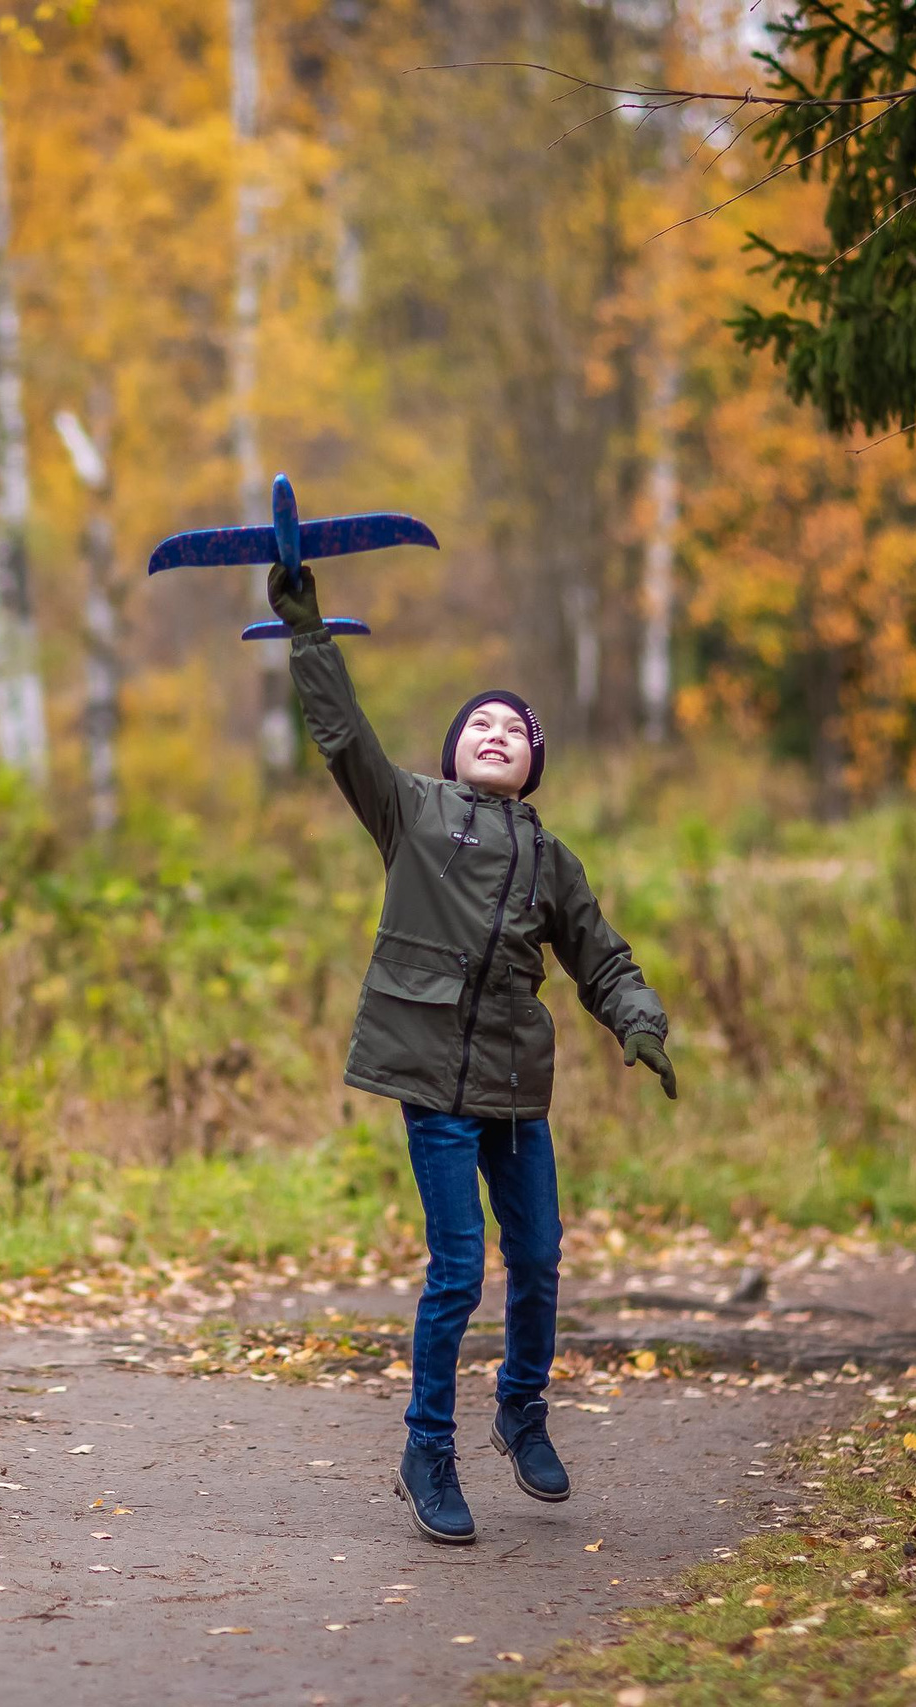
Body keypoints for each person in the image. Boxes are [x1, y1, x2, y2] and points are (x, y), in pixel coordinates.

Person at [268, 563, 679, 1547]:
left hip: (514, 1088)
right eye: (478, 726)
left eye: (515, 730)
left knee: (537, 1257)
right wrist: (308, 633)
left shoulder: (551, 859)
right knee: (457, 1268)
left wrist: (639, 1018)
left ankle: (521, 1413)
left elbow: (602, 956)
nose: (494, 733)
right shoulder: (409, 810)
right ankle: (427, 1452)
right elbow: (340, 736)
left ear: (534, 765)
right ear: (453, 754)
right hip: (430, 1081)